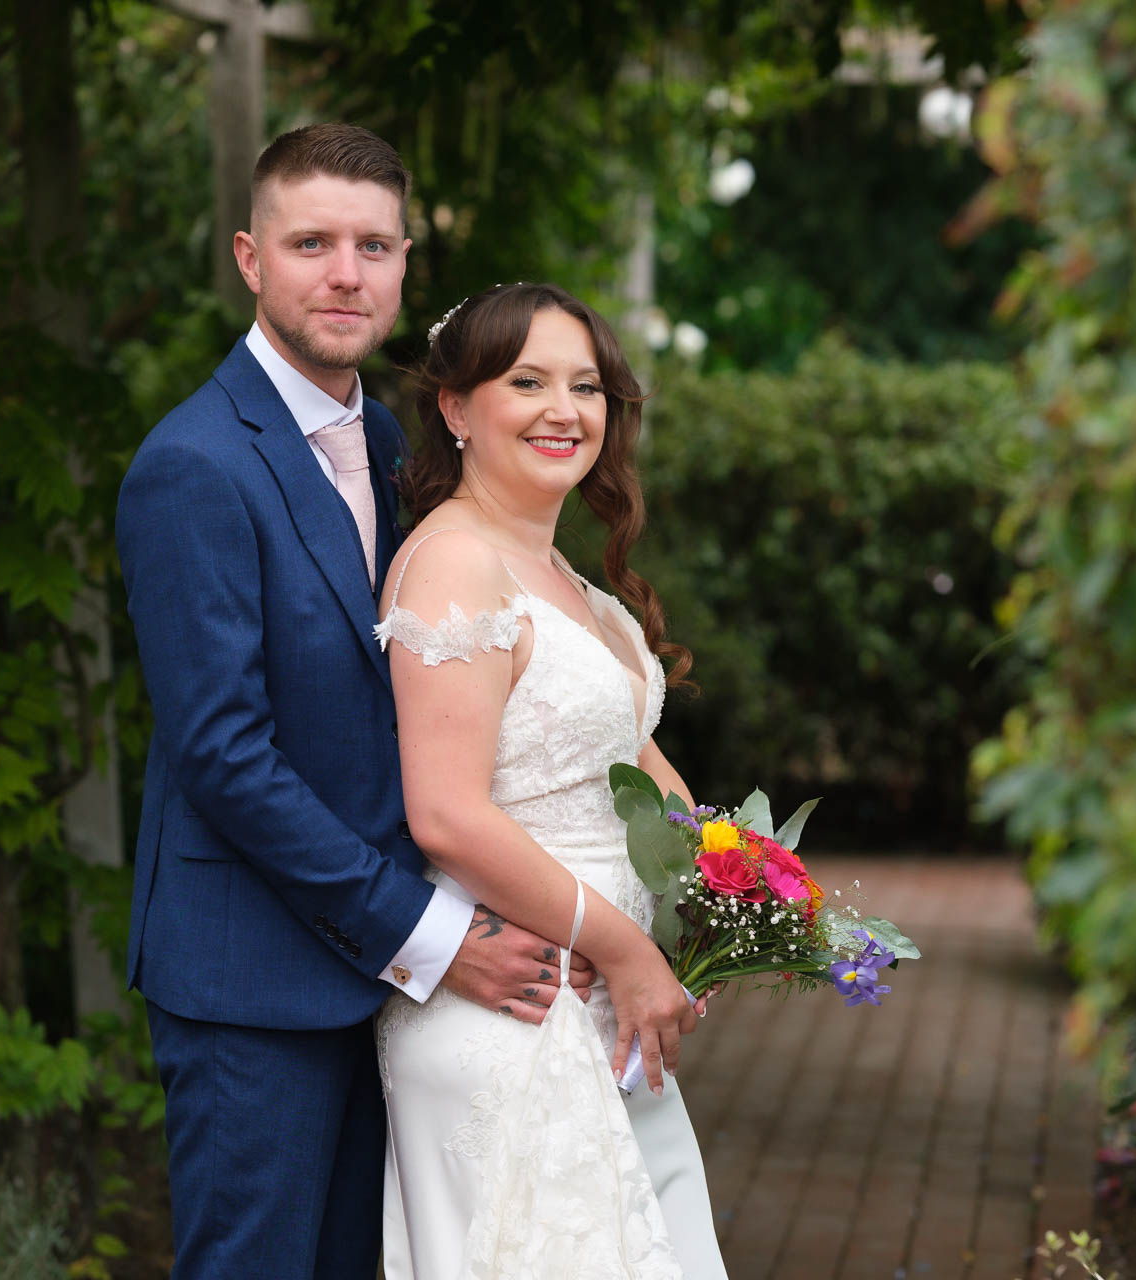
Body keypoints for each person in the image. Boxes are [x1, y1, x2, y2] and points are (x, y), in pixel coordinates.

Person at [115, 126, 592, 1280]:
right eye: (312, 242)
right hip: (254, 984)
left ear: (404, 263)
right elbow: (227, 757)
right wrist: (432, 938)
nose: (345, 272)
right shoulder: (193, 465)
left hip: (378, 990)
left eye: (372, 246)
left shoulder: (386, 437)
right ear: (249, 257)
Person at [375, 282, 729, 1278]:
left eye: (586, 384)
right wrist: (626, 948)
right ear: (455, 407)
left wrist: (750, 885)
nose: (563, 409)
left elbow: (640, 768)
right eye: (526, 381)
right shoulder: (453, 563)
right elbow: (445, 815)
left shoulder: (572, 581)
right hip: (520, 1009)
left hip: (609, 1010)